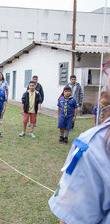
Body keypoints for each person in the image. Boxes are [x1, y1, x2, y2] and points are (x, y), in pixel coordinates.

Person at [48, 75, 110, 224]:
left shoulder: (93, 145)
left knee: (67, 127)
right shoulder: (61, 98)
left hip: (72, 118)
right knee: (62, 127)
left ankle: (65, 137)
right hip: (65, 117)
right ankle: (62, 137)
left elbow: (70, 217)